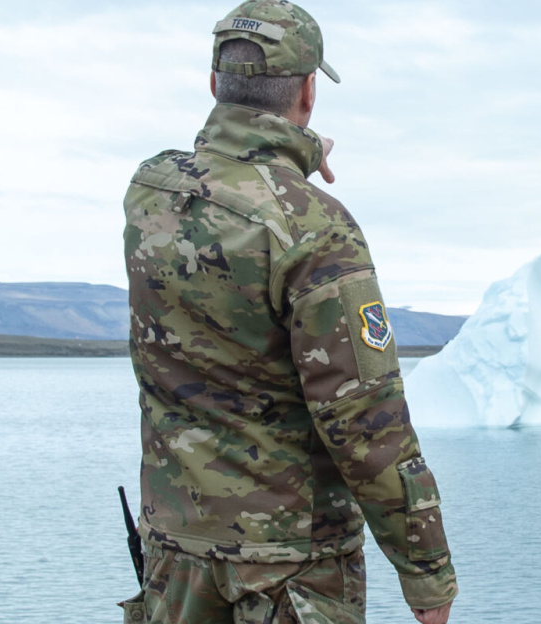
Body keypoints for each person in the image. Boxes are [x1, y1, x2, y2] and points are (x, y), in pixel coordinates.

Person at [119, 2, 457, 622]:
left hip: (177, 557)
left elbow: (223, 181)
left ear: (215, 83)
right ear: (308, 91)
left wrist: (289, 157)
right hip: (287, 572)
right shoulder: (317, 228)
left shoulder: (150, 191)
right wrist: (427, 574)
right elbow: (364, 420)